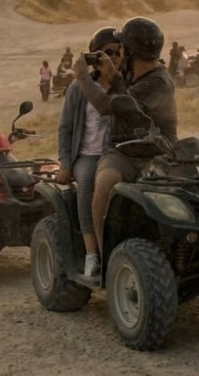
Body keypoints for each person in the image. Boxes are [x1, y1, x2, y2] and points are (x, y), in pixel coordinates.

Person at [72, 17, 177, 268]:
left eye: (121, 48)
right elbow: (124, 95)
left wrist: (82, 77)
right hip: (122, 149)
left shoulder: (158, 81)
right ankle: (103, 257)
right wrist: (112, 75)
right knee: (104, 182)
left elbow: (109, 105)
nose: (117, 52)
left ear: (129, 52)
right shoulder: (132, 74)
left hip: (156, 150)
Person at [56, 28, 119, 277]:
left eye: (118, 52)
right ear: (95, 55)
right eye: (107, 52)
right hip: (87, 154)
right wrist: (65, 163)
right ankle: (92, 254)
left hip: (116, 154)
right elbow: (65, 127)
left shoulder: (123, 86)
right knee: (87, 187)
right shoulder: (79, 86)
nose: (113, 57)